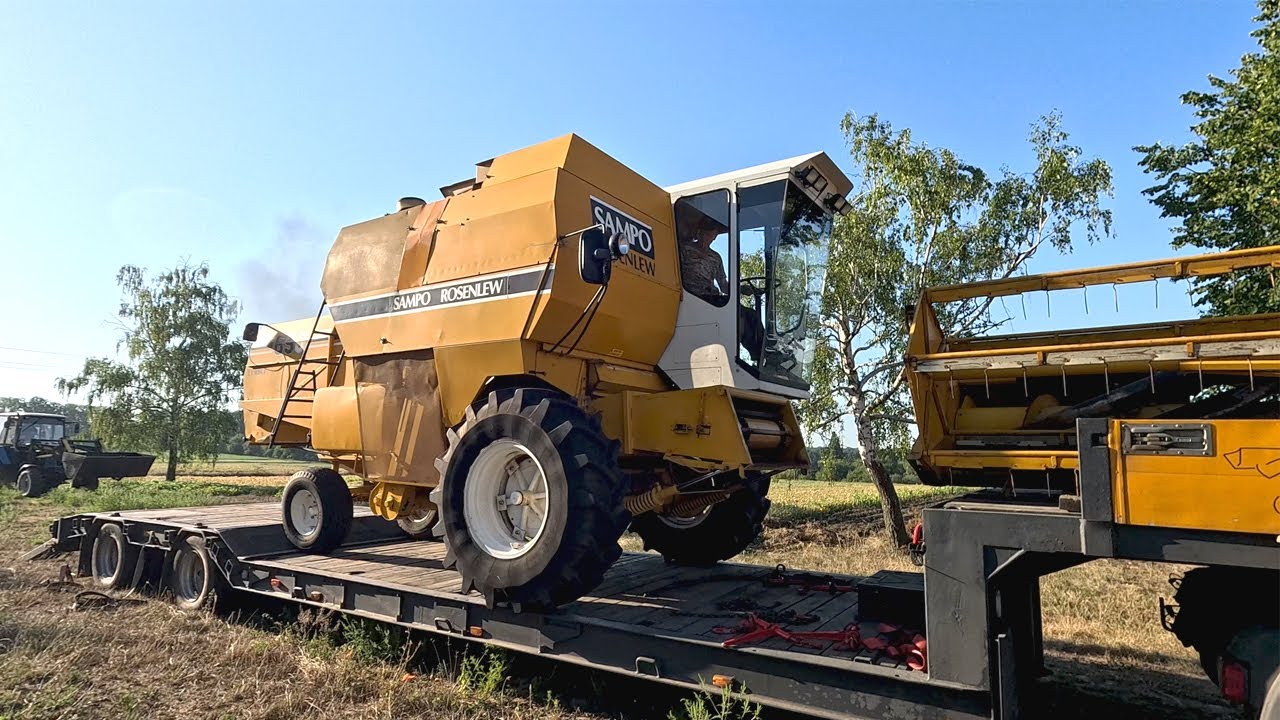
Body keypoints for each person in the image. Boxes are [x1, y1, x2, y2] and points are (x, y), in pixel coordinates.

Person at [679, 218, 730, 303]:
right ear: (699, 232)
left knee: (747, 313)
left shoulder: (716, 258)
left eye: (710, 235)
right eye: (705, 234)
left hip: (710, 297)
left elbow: (723, 285)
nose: (706, 238)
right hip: (689, 294)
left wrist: (740, 290)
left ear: (714, 237)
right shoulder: (685, 249)